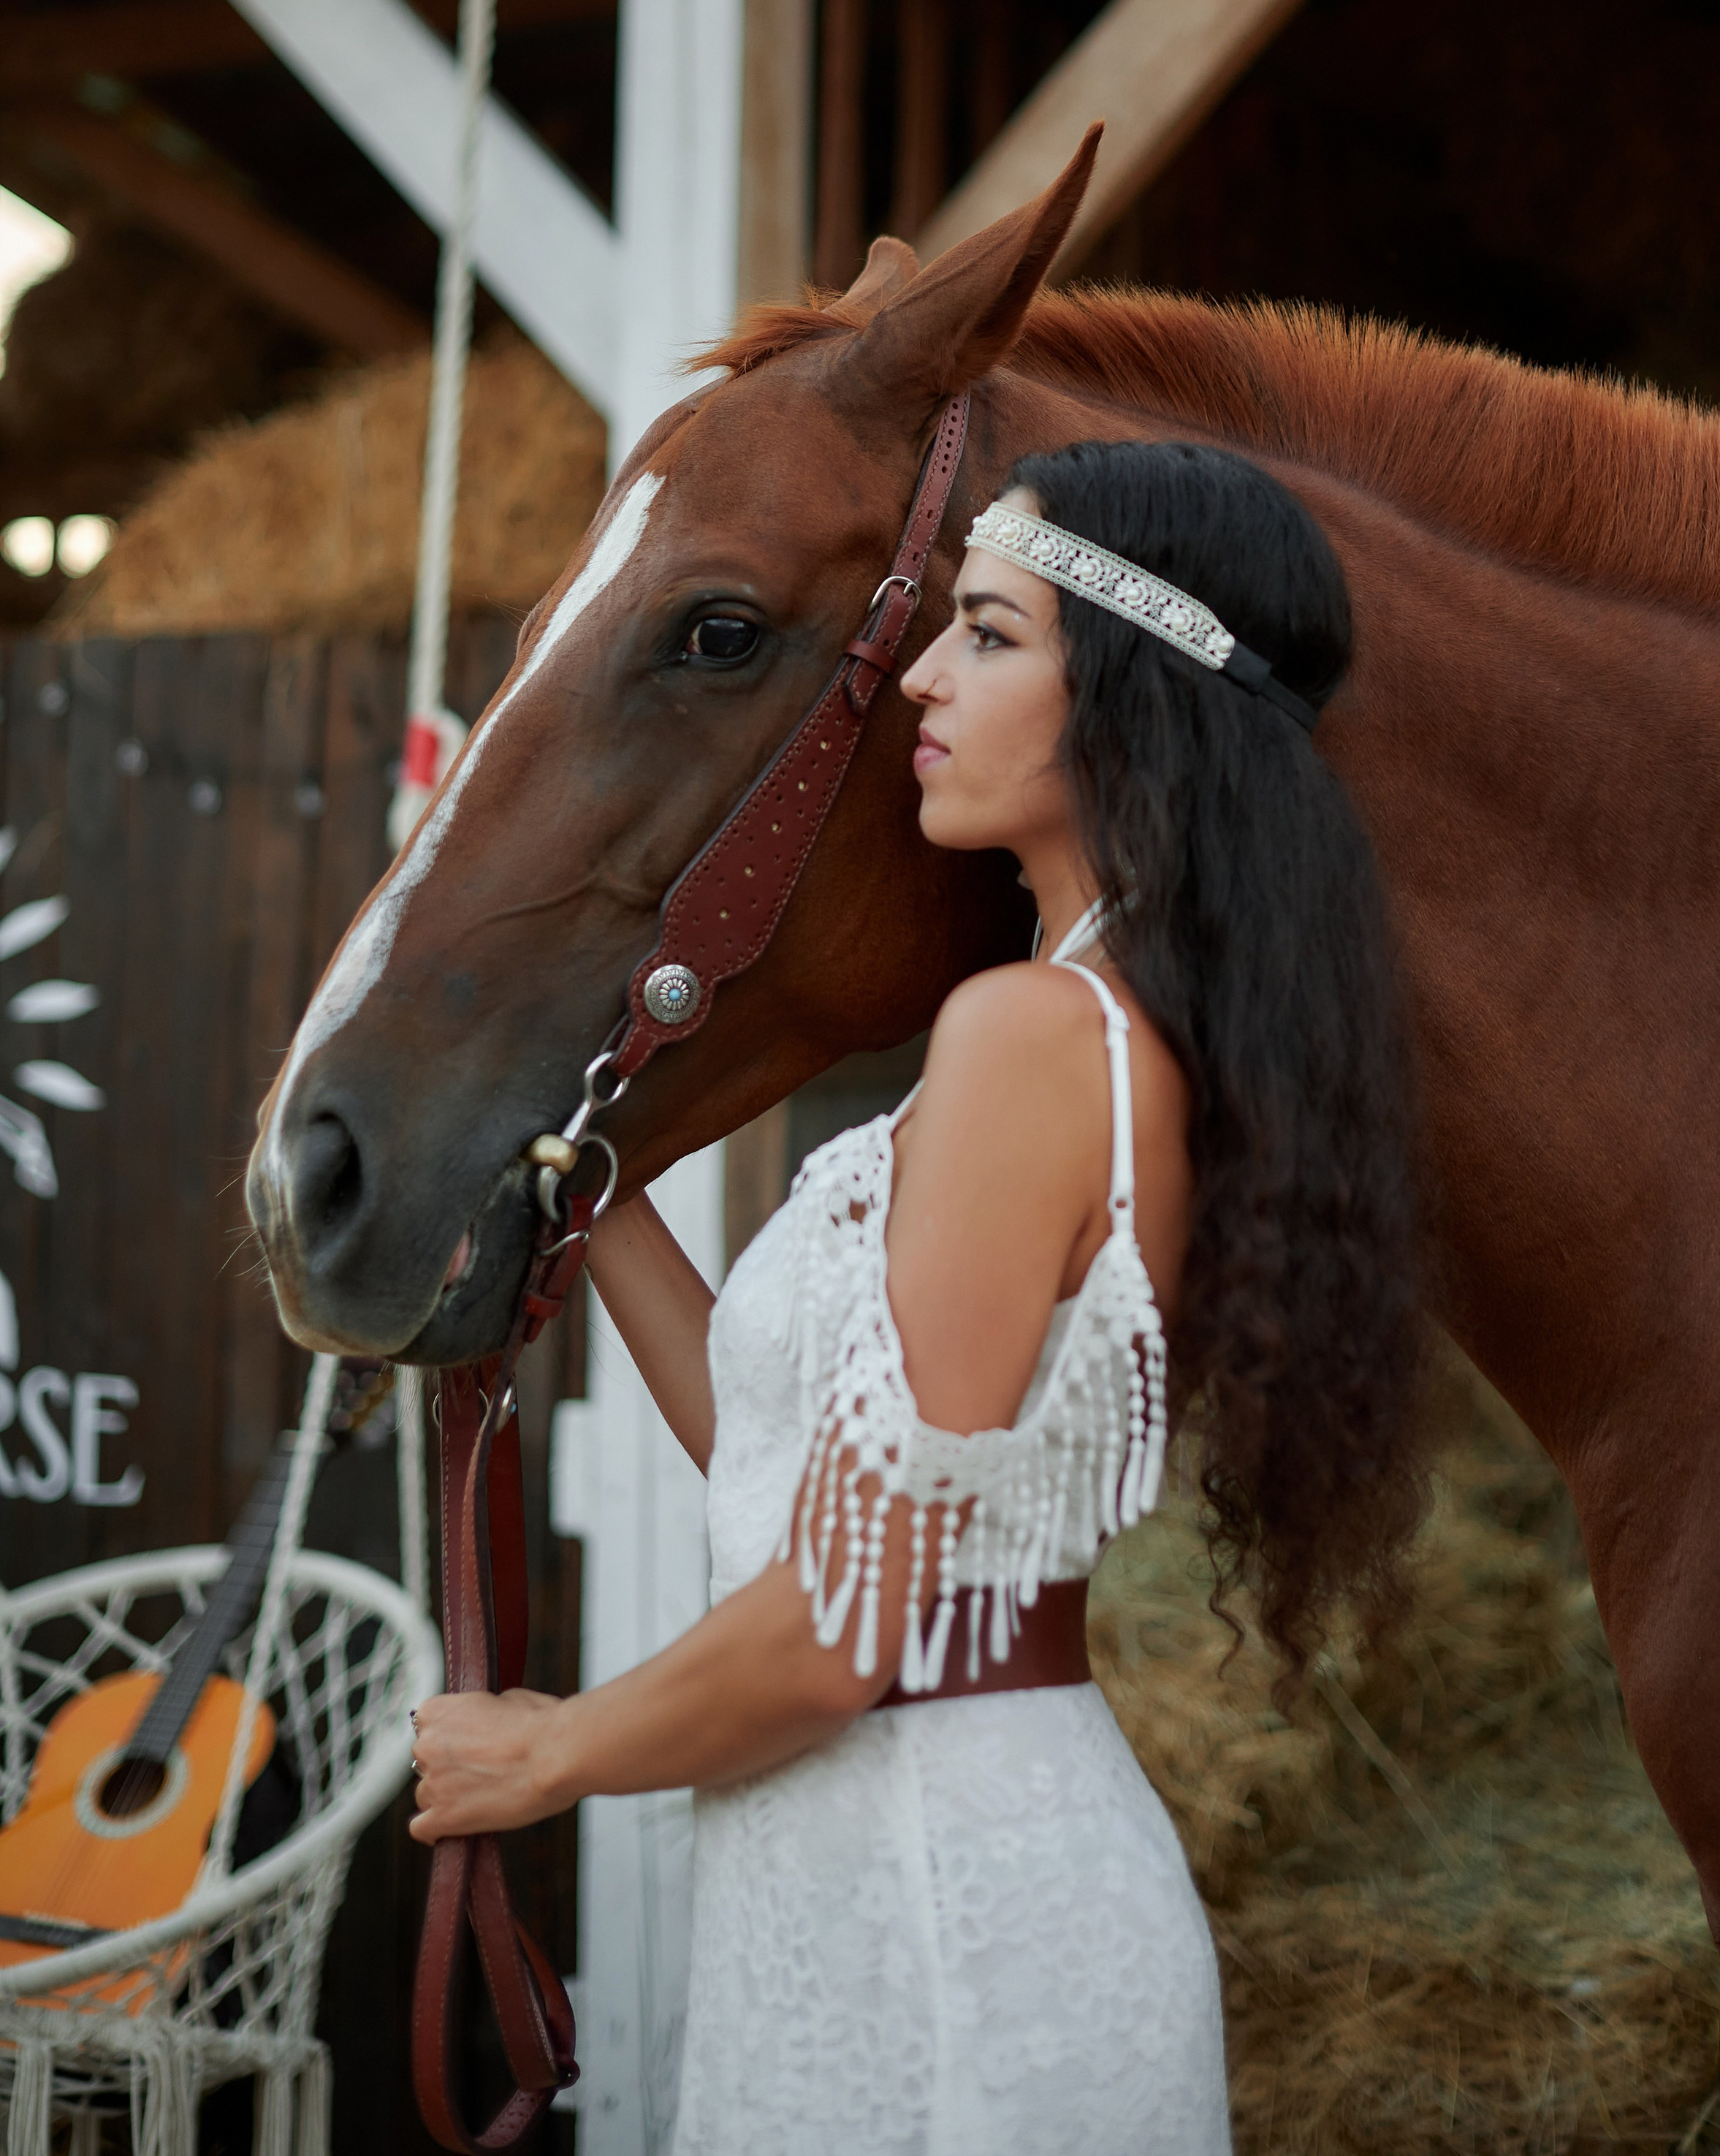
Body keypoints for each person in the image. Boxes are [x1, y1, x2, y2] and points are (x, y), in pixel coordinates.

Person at [408, 438, 1426, 2153]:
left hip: (948, 1915)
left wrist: (550, 1752)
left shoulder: (1028, 1041)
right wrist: (604, 1193)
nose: (925, 682)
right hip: (893, 1874)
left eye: (986, 634)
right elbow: (799, 1468)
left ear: (1126, 695)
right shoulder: (1079, 1020)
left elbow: (845, 1626)